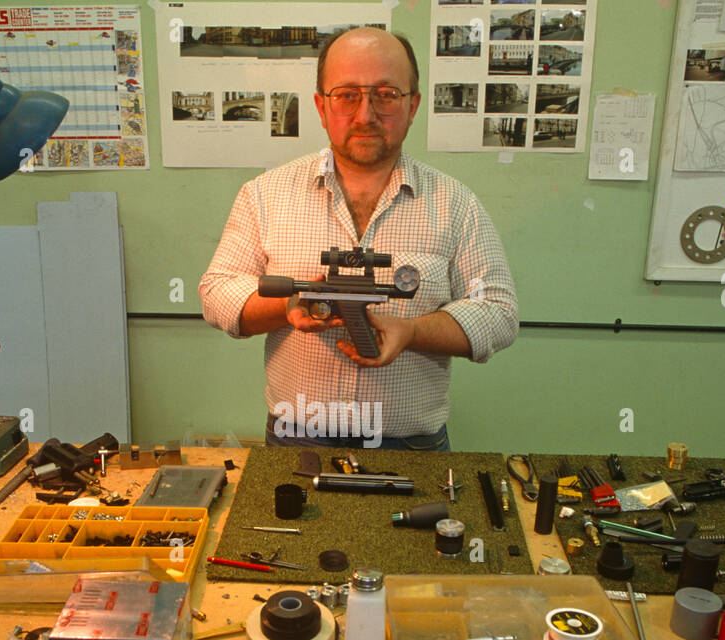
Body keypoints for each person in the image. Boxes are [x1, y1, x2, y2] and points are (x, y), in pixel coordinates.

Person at [199, 27, 517, 451]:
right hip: (297, 440)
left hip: (411, 446)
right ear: (321, 105)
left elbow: (498, 311)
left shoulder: (455, 203)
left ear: (413, 105)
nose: (365, 114)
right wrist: (287, 305)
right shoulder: (265, 195)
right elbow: (216, 292)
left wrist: (411, 332)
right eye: (347, 94)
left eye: (386, 94)